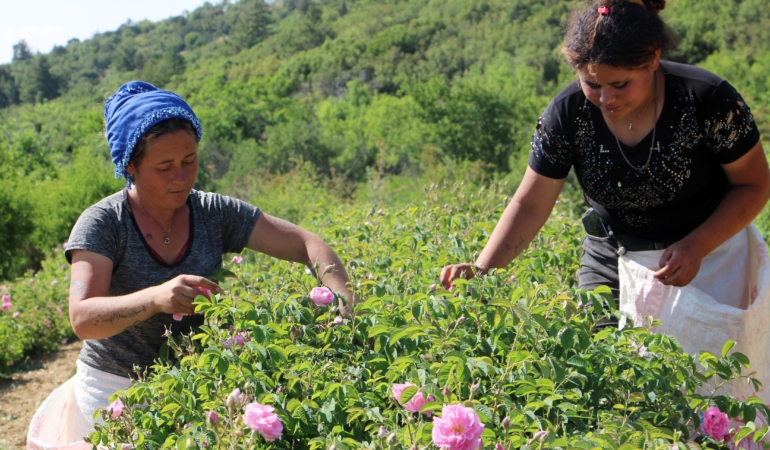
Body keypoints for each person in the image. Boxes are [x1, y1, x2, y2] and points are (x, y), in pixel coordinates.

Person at [34, 81, 358, 442]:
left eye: (189, 161)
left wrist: (344, 299)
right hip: (114, 390)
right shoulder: (104, 223)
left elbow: (305, 243)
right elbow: (82, 318)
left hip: (197, 384)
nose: (181, 177)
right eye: (164, 167)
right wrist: (155, 299)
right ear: (130, 166)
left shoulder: (212, 212)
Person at [440, 0, 770, 321]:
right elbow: (530, 205)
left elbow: (754, 184)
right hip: (613, 258)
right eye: (592, 84)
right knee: (604, 365)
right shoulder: (568, 113)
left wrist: (699, 244)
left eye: (620, 84)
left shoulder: (706, 99)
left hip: (713, 257)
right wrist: (483, 269)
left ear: (653, 58)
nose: (606, 98)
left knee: (712, 372)